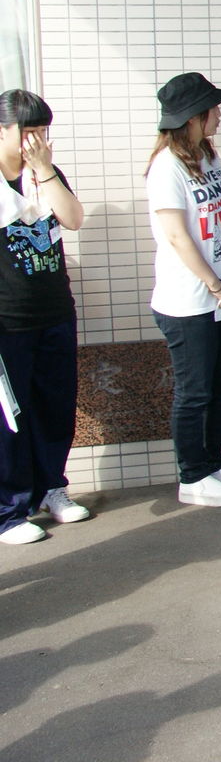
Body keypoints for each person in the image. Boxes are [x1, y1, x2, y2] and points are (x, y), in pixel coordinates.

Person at [146, 73, 221, 508]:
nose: (219, 115)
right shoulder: (166, 167)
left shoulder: (208, 157)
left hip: (220, 296)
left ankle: (215, 464)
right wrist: (214, 283)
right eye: (213, 108)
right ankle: (192, 476)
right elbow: (176, 235)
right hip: (186, 300)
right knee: (194, 392)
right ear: (193, 117)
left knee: (219, 385)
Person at [0, 91, 88, 544]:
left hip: (54, 310)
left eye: (42, 131)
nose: (36, 140)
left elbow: (72, 219)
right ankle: (10, 511)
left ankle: (53, 487)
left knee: (55, 405)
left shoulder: (45, 174)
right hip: (8, 318)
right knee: (11, 417)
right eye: (27, 131)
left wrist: (46, 171)